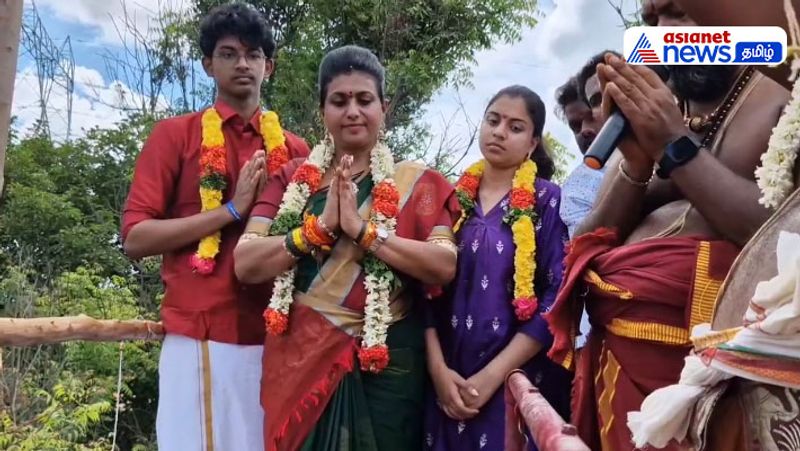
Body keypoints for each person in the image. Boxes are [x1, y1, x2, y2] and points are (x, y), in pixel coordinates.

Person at [544, 1, 791, 449]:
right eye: (652, 20)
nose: (664, 32)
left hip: (730, 396)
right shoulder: (652, 111)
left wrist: (675, 146)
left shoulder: (784, 99)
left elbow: (780, 239)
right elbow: (584, 244)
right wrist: (638, 165)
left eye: (679, 12)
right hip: (621, 377)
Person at [233, 45, 460, 451]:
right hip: (300, 359)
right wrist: (316, 230)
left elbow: (443, 265)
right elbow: (246, 263)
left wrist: (363, 231)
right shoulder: (290, 179)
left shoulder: (416, 183)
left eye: (364, 99)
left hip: (388, 367)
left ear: (384, 107)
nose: (352, 110)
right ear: (323, 111)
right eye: (339, 101)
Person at [120, 4, 310, 450]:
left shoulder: (297, 150)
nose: (242, 63)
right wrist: (230, 211)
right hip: (202, 333)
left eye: (253, 54)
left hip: (276, 336)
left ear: (270, 65)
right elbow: (135, 238)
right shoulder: (176, 136)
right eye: (228, 53)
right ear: (208, 64)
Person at [422, 85, 571, 451]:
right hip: (444, 381)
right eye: (493, 120)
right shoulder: (452, 197)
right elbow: (421, 286)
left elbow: (557, 295)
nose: (500, 131)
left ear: (532, 143)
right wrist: (438, 372)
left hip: (511, 381)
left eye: (515, 127)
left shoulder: (546, 201)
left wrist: (492, 377)